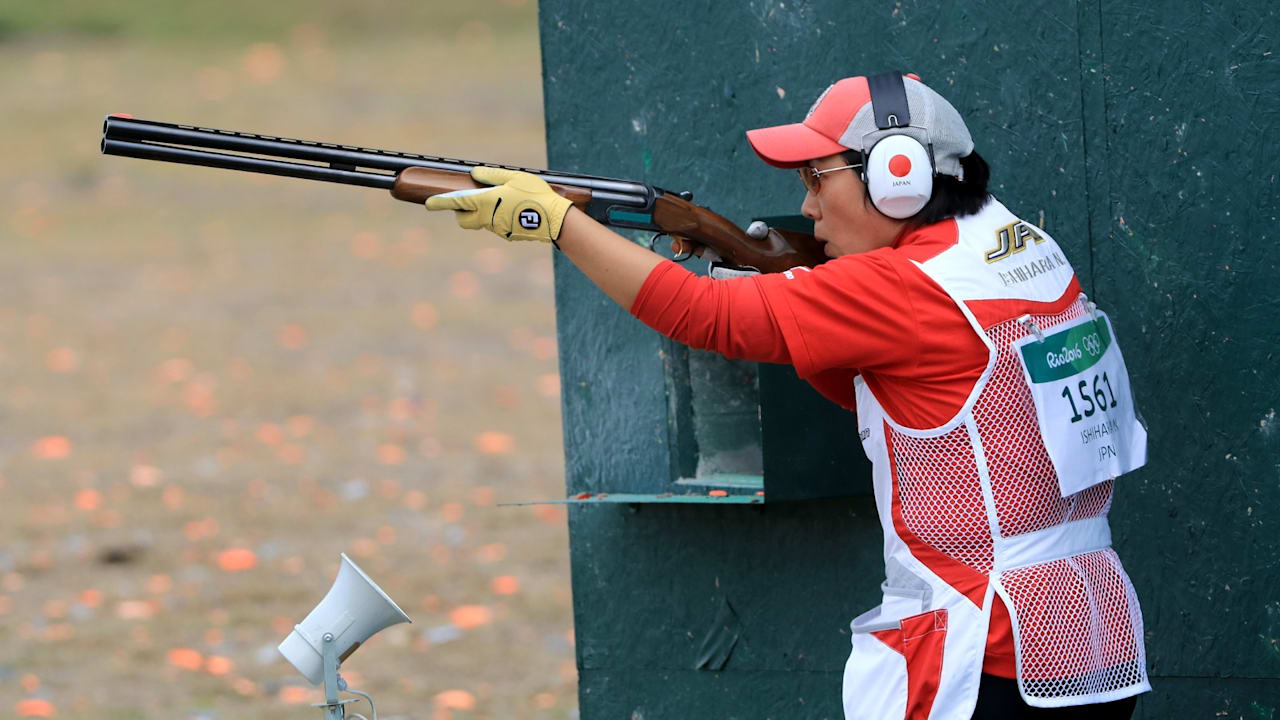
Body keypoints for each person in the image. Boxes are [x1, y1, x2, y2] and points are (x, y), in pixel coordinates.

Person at [426, 72, 1151, 720]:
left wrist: (556, 223)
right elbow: (912, 399)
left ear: (898, 176)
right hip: (1083, 638)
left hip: (979, 655)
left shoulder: (902, 289)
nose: (808, 205)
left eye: (817, 177)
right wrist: (788, 294)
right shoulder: (1019, 251)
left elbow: (701, 315)